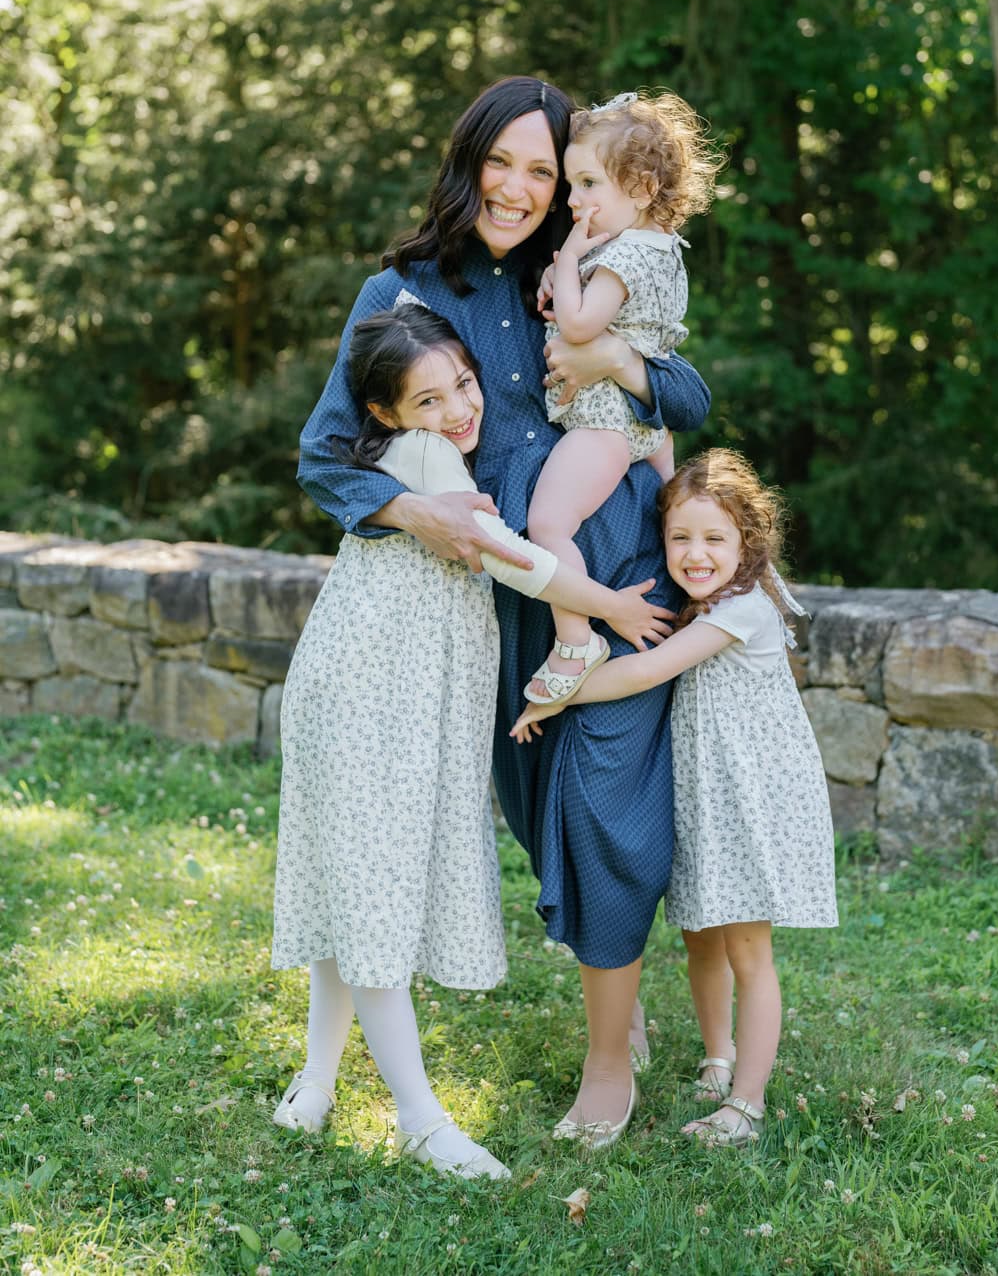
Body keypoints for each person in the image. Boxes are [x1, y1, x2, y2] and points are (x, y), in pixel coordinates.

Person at [295, 75, 711, 1149]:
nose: (523, 189)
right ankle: (608, 978)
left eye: (545, 168)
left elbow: (690, 396)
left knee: (597, 809)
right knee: (532, 812)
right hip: (483, 594)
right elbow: (323, 455)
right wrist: (413, 512)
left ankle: (611, 1051)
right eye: (504, 162)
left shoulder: (580, 268)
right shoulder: (400, 291)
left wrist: (616, 357)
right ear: (466, 156)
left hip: (605, 569)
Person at [272, 303, 670, 1180]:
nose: (459, 408)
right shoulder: (423, 464)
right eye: (428, 401)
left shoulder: (434, 450)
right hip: (365, 696)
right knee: (369, 890)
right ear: (384, 415)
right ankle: (420, 1118)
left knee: (355, 885)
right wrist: (612, 607)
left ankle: (318, 1079)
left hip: (391, 694)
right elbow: (514, 557)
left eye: (463, 384)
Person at [511, 448, 838, 1146]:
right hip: (707, 795)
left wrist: (550, 697)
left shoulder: (743, 607)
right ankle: (718, 1059)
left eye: (715, 538)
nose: (694, 554)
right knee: (701, 937)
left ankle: (744, 1106)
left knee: (748, 951)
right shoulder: (706, 595)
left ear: (748, 541)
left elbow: (643, 673)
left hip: (748, 799)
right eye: (679, 537)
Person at [524, 91, 723, 708]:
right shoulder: (658, 247)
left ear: (639, 188)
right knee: (674, 511)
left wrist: (571, 264)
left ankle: (575, 639)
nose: (574, 202)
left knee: (549, 524)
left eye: (587, 184)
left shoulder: (624, 253)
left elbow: (582, 328)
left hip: (605, 421)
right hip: (645, 427)